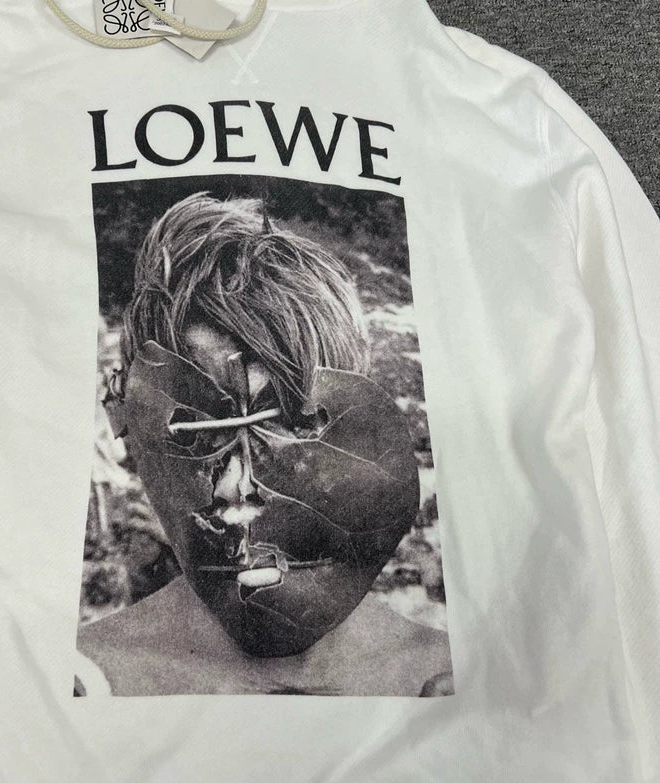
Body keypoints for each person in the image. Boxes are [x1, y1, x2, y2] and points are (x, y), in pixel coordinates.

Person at [76, 193, 453, 695]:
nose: (238, 486)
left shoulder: (452, 684)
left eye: (290, 427)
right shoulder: (87, 684)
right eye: (196, 435)